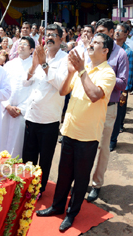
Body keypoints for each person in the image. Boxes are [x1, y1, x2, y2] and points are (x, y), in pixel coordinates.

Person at [37, 33, 116, 232]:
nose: (91, 45)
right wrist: (73, 72)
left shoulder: (107, 73)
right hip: (70, 130)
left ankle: (71, 214)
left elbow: (95, 95)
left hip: (88, 135)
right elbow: (63, 91)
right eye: (91, 42)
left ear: (105, 50)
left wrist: (81, 71)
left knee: (80, 178)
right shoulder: (85, 68)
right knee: (64, 173)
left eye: (96, 43)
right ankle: (56, 207)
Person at [21, 24, 68, 196]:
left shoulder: (65, 59)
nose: (49, 38)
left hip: (49, 118)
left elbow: (62, 85)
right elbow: (26, 82)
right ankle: (26, 185)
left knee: (45, 158)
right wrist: (34, 66)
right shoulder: (41, 55)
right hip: (32, 115)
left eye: (53, 35)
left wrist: (44, 64)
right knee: (28, 154)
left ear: (61, 39)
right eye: (47, 35)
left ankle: (39, 188)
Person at [86, 19, 128, 203]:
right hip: (88, 104)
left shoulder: (120, 55)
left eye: (102, 31)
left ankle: (96, 184)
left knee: (103, 147)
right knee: (85, 144)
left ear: (112, 32)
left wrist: (106, 76)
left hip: (108, 106)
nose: (97, 35)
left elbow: (123, 82)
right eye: (96, 32)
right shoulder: (92, 51)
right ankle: (81, 180)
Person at [0, 36, 34, 157]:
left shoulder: (35, 66)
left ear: (31, 50)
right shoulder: (9, 64)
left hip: (22, 112)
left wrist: (21, 109)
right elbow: (2, 86)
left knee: (18, 146)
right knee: (2, 141)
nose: (21, 46)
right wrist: (7, 105)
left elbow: (34, 91)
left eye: (25, 44)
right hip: (6, 108)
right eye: (20, 43)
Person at [110, 23, 133, 151]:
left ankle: (113, 140)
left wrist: (125, 91)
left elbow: (129, 73)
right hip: (109, 87)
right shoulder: (109, 48)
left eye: (121, 31)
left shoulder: (128, 51)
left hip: (120, 87)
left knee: (118, 114)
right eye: (116, 30)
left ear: (126, 34)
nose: (117, 32)